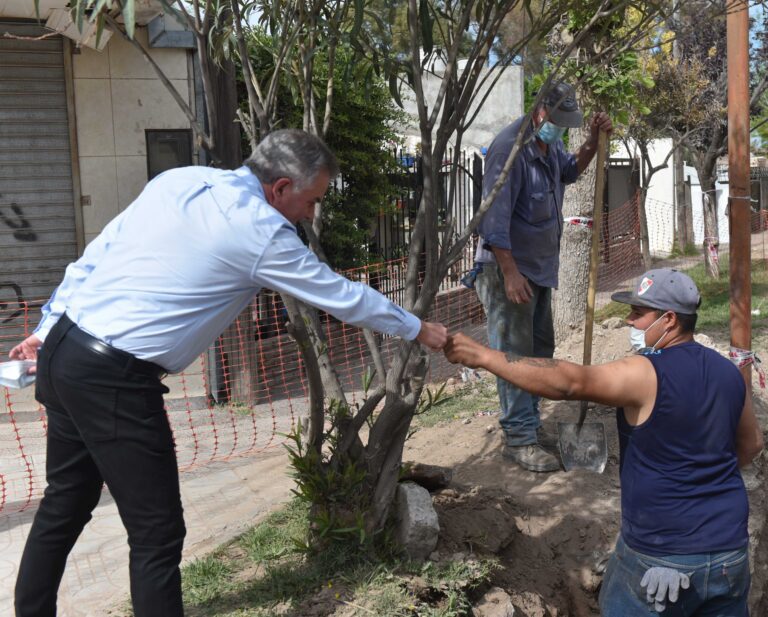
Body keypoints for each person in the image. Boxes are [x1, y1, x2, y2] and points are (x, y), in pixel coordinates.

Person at [9, 129, 448, 617]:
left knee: (65, 500)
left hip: (66, 349)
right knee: (157, 529)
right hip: (114, 378)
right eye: (311, 201)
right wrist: (417, 328)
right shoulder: (258, 231)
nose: (311, 214)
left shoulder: (180, 181)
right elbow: (341, 296)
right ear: (280, 188)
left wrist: (48, 326)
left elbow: (95, 254)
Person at [445, 268, 763, 615]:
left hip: (660, 559)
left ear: (669, 319)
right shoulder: (729, 372)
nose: (629, 321)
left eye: (639, 314)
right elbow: (751, 446)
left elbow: (569, 383)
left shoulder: (645, 373)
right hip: (728, 556)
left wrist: (483, 356)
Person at [474, 80, 613, 472]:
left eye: (568, 124)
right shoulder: (509, 149)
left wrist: (591, 141)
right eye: (557, 121)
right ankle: (518, 440)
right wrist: (510, 273)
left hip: (538, 270)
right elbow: (493, 219)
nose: (560, 129)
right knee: (516, 357)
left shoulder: (549, 145)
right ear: (539, 113)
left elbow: (569, 171)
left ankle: (530, 426)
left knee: (540, 352)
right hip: (509, 271)